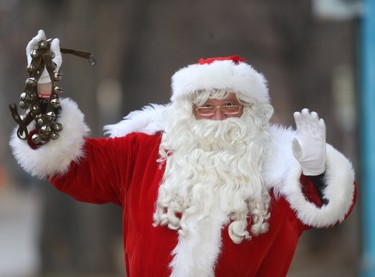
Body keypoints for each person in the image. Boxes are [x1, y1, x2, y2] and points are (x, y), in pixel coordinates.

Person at [10, 30, 357, 277]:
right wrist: (43, 99)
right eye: (206, 106)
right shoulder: (142, 152)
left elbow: (327, 208)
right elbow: (71, 165)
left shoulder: (279, 167)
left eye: (230, 105)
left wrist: (315, 171)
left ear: (249, 111)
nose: (218, 116)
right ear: (187, 112)